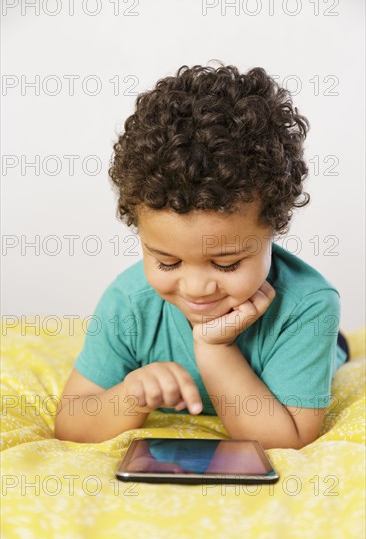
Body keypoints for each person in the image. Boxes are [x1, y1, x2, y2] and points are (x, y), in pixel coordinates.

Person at [54, 62, 350, 448]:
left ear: (272, 231)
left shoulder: (307, 307)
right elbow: (70, 424)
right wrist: (129, 395)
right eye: (167, 262)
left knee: (332, 353)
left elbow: (285, 440)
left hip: (310, 343)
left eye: (227, 263)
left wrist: (215, 348)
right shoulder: (129, 303)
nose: (196, 288)